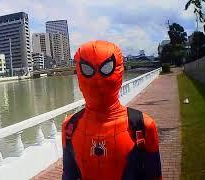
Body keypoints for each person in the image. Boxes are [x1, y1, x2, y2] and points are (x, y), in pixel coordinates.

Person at [62, 40, 162, 180]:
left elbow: (154, 175)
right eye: (88, 70)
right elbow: (69, 174)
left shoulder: (143, 126)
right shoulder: (70, 127)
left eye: (106, 68)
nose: (97, 79)